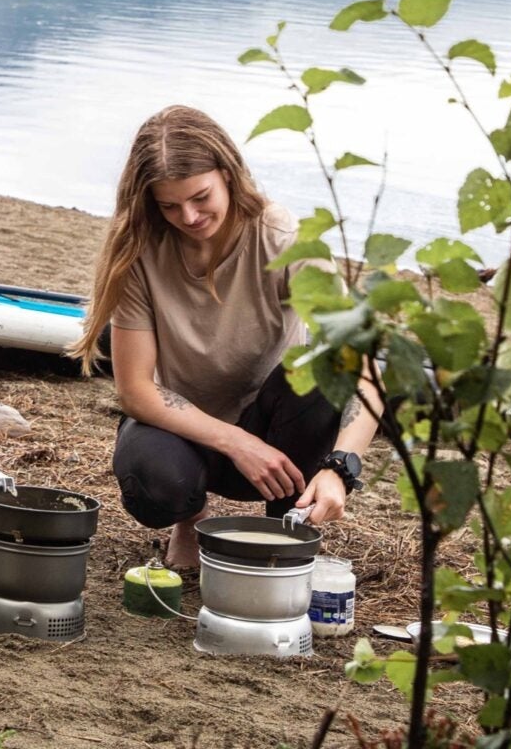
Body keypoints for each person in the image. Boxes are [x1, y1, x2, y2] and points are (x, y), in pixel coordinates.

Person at [68, 106, 382, 568]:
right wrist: (236, 442)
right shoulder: (137, 251)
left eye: (201, 197)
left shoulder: (281, 237)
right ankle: (190, 518)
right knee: (154, 484)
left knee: (321, 372)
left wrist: (341, 468)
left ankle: (286, 527)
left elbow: (363, 367)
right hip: (186, 432)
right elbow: (135, 389)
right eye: (169, 205)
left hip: (279, 434)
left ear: (229, 174)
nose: (189, 216)